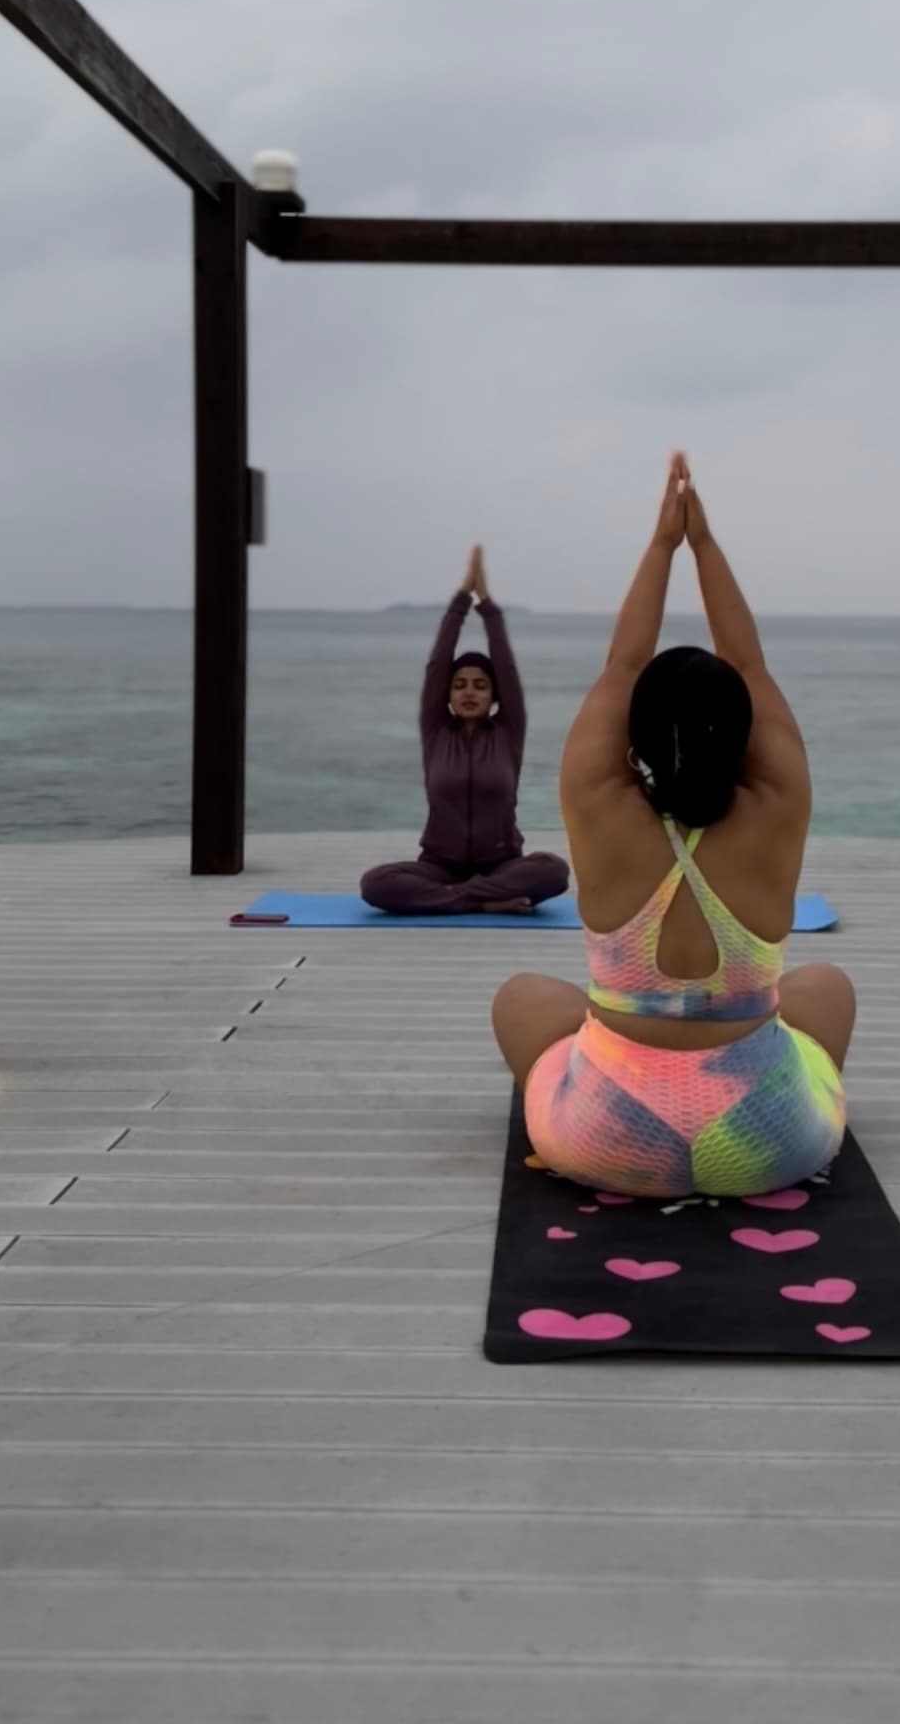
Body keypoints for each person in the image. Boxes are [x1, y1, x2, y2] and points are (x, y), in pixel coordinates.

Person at [492, 457, 855, 1198]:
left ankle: (596, 1130)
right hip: (769, 1142)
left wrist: (662, 544)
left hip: (608, 1137)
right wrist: (705, 545)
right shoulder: (779, 804)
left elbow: (624, 664)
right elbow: (747, 662)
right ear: (744, 734)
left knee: (525, 998)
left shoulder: (598, 800)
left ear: (634, 740)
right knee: (826, 988)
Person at [359, 546, 570, 918]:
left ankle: (452, 898)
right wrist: (460, 601)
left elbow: (504, 664)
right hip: (439, 864)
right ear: (449, 695)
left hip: (502, 865)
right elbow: (438, 663)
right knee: (375, 883)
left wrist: (486, 603)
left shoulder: (508, 732)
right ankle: (484, 903)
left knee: (554, 871)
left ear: (493, 695)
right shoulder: (436, 731)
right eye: (459, 685)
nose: (469, 691)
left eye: (479, 685)